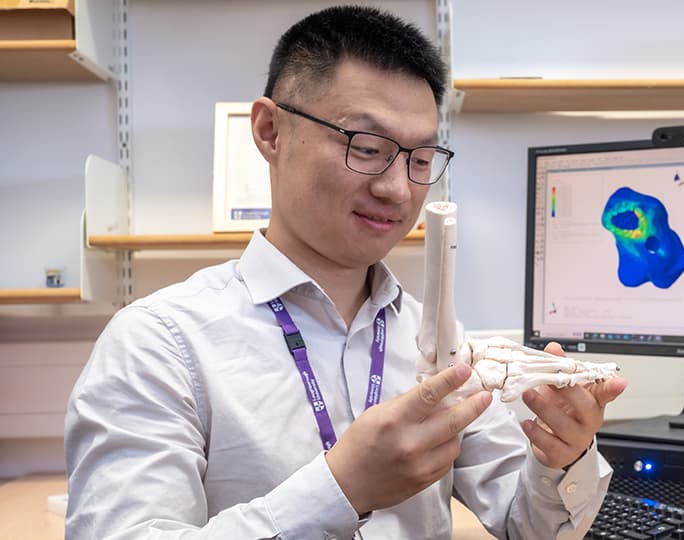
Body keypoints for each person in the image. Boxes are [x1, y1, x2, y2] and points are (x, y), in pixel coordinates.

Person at [65, 5, 627, 539]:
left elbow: (529, 525)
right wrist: (343, 487)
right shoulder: (158, 345)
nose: (397, 188)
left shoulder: (440, 345)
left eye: (421, 159)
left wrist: (563, 456)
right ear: (270, 132)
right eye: (365, 145)